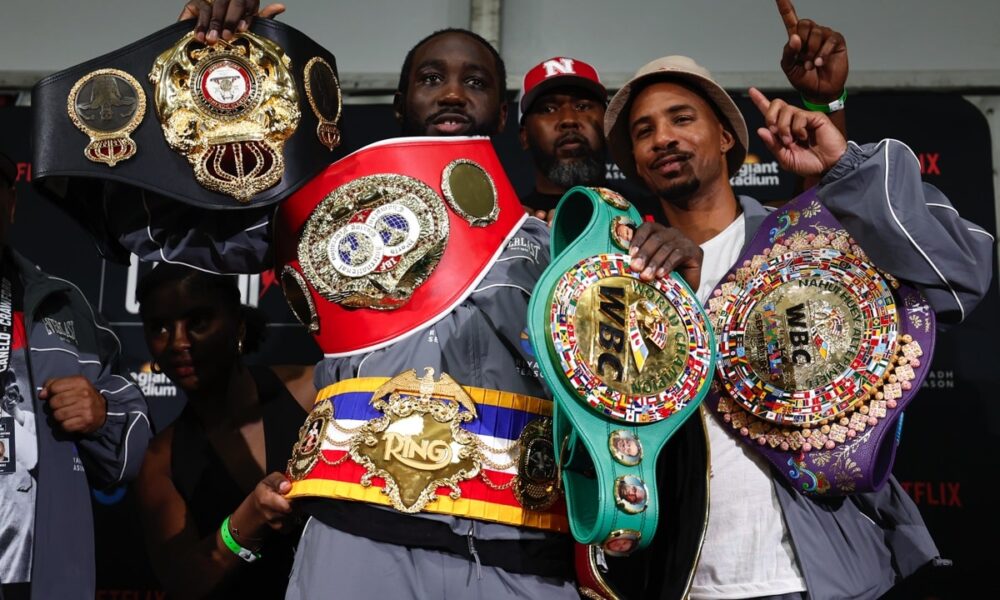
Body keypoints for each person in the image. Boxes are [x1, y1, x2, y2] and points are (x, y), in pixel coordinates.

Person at [602, 39, 992, 600]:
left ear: (726, 137)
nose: (663, 137)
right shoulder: (622, 286)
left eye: (682, 119)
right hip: (682, 583)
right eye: (644, 131)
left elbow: (959, 276)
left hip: (823, 574)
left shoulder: (808, 246)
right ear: (637, 163)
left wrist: (844, 169)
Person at [0, 151, 151, 600]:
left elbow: (127, 455)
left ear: (10, 204)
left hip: (40, 580)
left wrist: (101, 414)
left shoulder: (62, 305)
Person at [133, 264, 315, 599]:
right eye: (160, 327)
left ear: (238, 324)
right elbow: (184, 585)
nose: (179, 341)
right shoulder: (160, 460)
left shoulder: (313, 394)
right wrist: (248, 518)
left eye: (198, 322)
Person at [516, 56, 609, 218]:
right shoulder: (512, 225)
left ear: (607, 124)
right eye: (548, 109)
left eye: (582, 106)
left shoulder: (645, 217)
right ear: (524, 136)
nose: (569, 119)